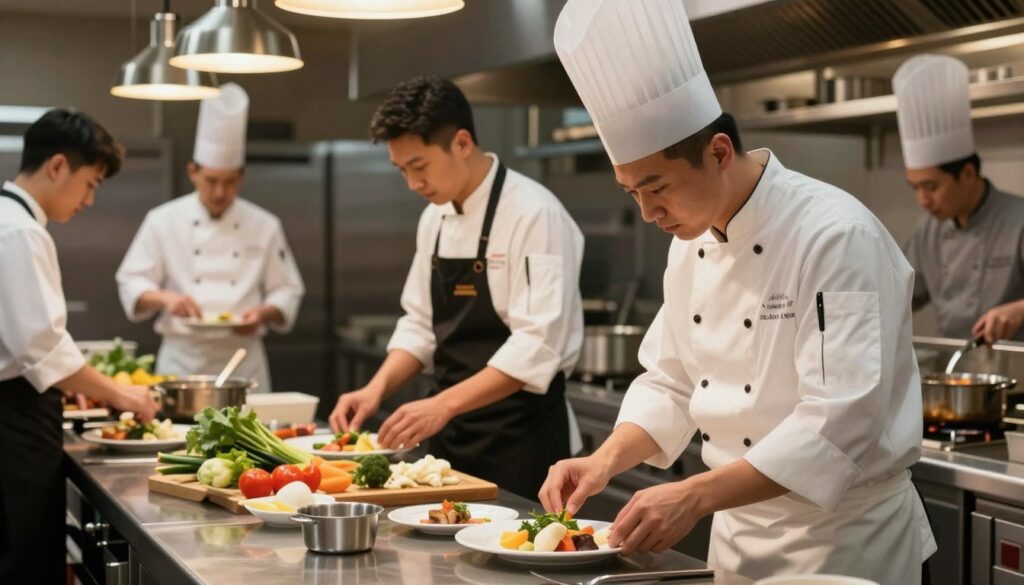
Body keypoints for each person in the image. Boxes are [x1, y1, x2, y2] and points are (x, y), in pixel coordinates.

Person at [539, 1, 935, 583]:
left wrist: (695, 495)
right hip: (736, 542)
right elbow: (671, 379)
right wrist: (605, 459)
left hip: (844, 546)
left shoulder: (834, 235)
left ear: (718, 152)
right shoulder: (690, 239)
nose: (649, 213)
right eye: (632, 194)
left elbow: (838, 423)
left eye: (657, 188)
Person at [329, 76, 584, 498]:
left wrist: (443, 404)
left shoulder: (535, 214)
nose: (413, 183)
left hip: (522, 441)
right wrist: (375, 389)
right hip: (450, 440)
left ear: (462, 143)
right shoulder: (435, 216)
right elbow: (421, 324)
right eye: (402, 170)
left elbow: (537, 345)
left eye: (420, 166)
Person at [0, 109, 158, 584]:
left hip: (15, 413)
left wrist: (80, 383)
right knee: (24, 558)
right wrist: (120, 394)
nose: (89, 199)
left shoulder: (13, 220)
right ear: (57, 166)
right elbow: (40, 348)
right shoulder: (20, 231)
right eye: (90, 183)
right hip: (12, 421)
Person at [116, 83, 304, 389]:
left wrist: (263, 313)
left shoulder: (264, 224)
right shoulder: (162, 221)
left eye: (229, 182)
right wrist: (167, 299)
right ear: (192, 172)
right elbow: (131, 281)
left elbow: (287, 290)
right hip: (181, 362)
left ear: (241, 176)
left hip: (243, 361)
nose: (219, 192)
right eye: (211, 180)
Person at [895, 54, 1024, 344]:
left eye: (930, 186)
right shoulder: (929, 232)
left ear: (967, 174)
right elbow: (897, 293)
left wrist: (1019, 309)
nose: (922, 200)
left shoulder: (1018, 221)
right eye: (914, 187)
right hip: (955, 372)